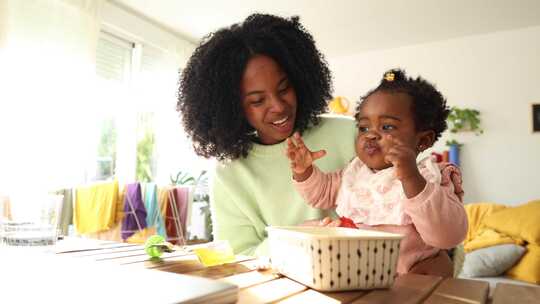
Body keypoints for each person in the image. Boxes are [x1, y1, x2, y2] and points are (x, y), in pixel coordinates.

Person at [177, 13, 357, 256]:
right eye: (258, 100)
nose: (279, 106)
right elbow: (235, 257)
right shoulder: (229, 173)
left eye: (284, 89)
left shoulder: (351, 134)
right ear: (233, 108)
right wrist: (293, 240)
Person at [286, 69, 468, 277]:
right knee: (307, 232)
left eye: (387, 127)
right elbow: (321, 193)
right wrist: (303, 170)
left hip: (412, 278)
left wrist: (411, 178)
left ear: (423, 140)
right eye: (363, 128)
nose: (370, 135)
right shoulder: (354, 174)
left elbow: (447, 236)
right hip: (359, 275)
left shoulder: (431, 178)